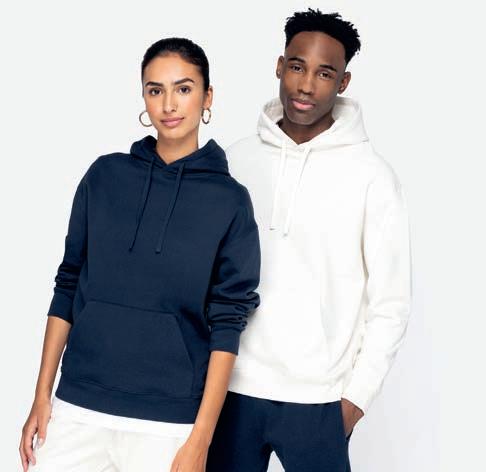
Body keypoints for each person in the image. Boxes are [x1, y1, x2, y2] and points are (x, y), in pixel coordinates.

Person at [19, 37, 261, 472]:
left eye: (183, 88)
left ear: (207, 97)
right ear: (143, 97)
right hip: (78, 407)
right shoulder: (104, 176)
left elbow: (228, 323)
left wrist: (201, 438)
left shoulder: (229, 201)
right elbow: (68, 284)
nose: (169, 104)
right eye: (155, 90)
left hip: (167, 424)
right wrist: (42, 397)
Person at [207, 9, 411, 472]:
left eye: (324, 73)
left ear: (343, 82)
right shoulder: (235, 161)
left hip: (318, 399)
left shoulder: (372, 177)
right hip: (231, 389)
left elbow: (391, 302)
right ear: (280, 66)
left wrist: (354, 400)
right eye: (297, 67)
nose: (305, 86)